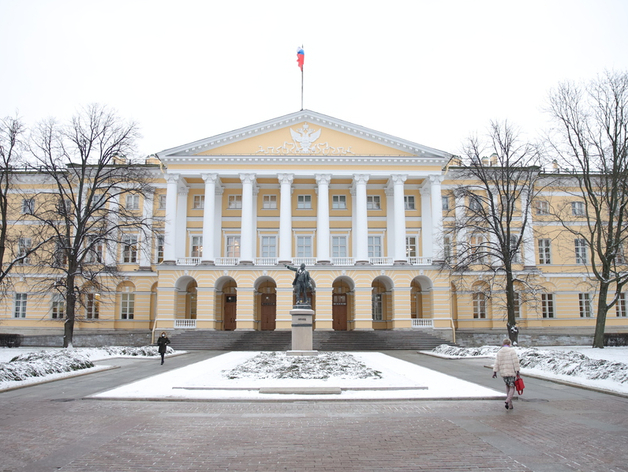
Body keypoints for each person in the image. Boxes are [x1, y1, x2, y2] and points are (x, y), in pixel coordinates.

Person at [492, 338, 520, 410]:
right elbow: (515, 362)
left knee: (507, 385)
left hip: (503, 372)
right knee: (512, 387)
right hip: (511, 372)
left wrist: (495, 372)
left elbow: (496, 362)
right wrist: (517, 371)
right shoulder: (512, 351)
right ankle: (507, 401)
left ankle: (510, 404)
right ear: (509, 344)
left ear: (503, 344)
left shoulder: (500, 352)